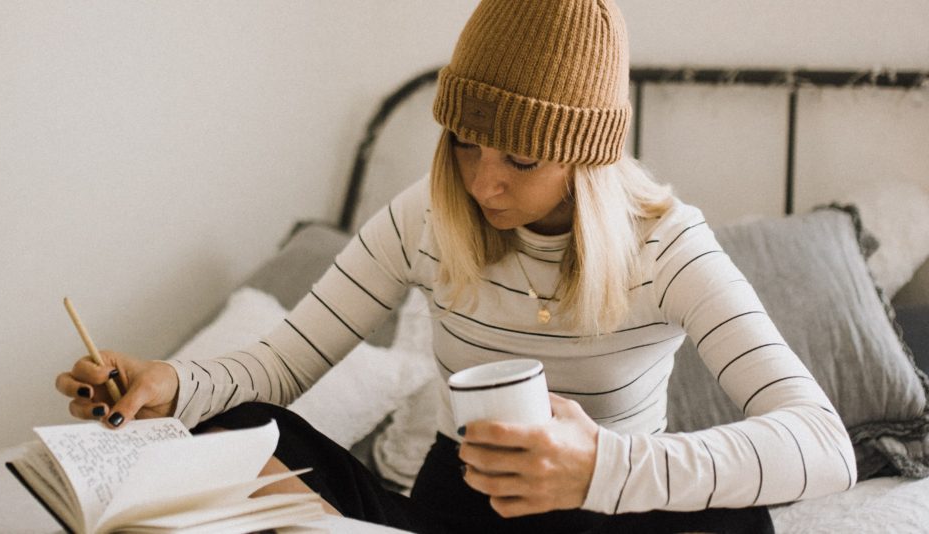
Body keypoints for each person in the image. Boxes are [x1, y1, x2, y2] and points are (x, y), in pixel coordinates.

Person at [55, 1, 857, 532]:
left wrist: (602, 468)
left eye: (520, 157)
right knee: (229, 429)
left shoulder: (666, 246)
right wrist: (172, 384)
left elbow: (826, 445)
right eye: (466, 143)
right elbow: (279, 364)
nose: (483, 182)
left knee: (741, 517)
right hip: (456, 513)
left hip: (607, 510)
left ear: (585, 160)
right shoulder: (426, 216)